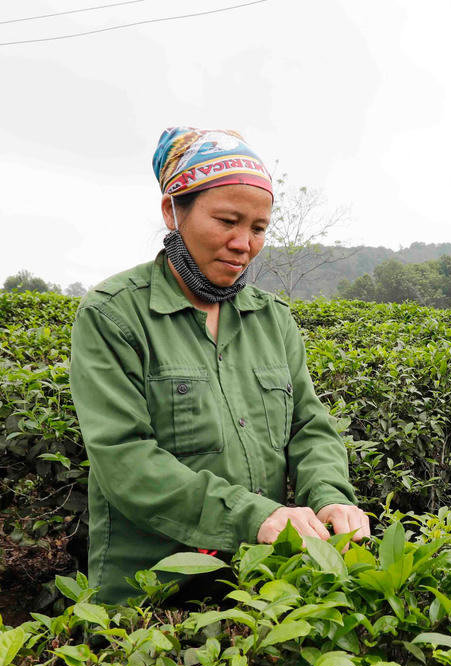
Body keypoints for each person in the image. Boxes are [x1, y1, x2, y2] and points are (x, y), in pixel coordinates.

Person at [70, 126, 369, 603]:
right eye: (227, 221)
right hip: (152, 591)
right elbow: (124, 457)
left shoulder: (273, 320)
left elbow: (309, 427)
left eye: (257, 229)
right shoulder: (113, 314)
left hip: (255, 583)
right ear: (172, 211)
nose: (242, 244)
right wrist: (255, 517)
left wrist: (330, 494)